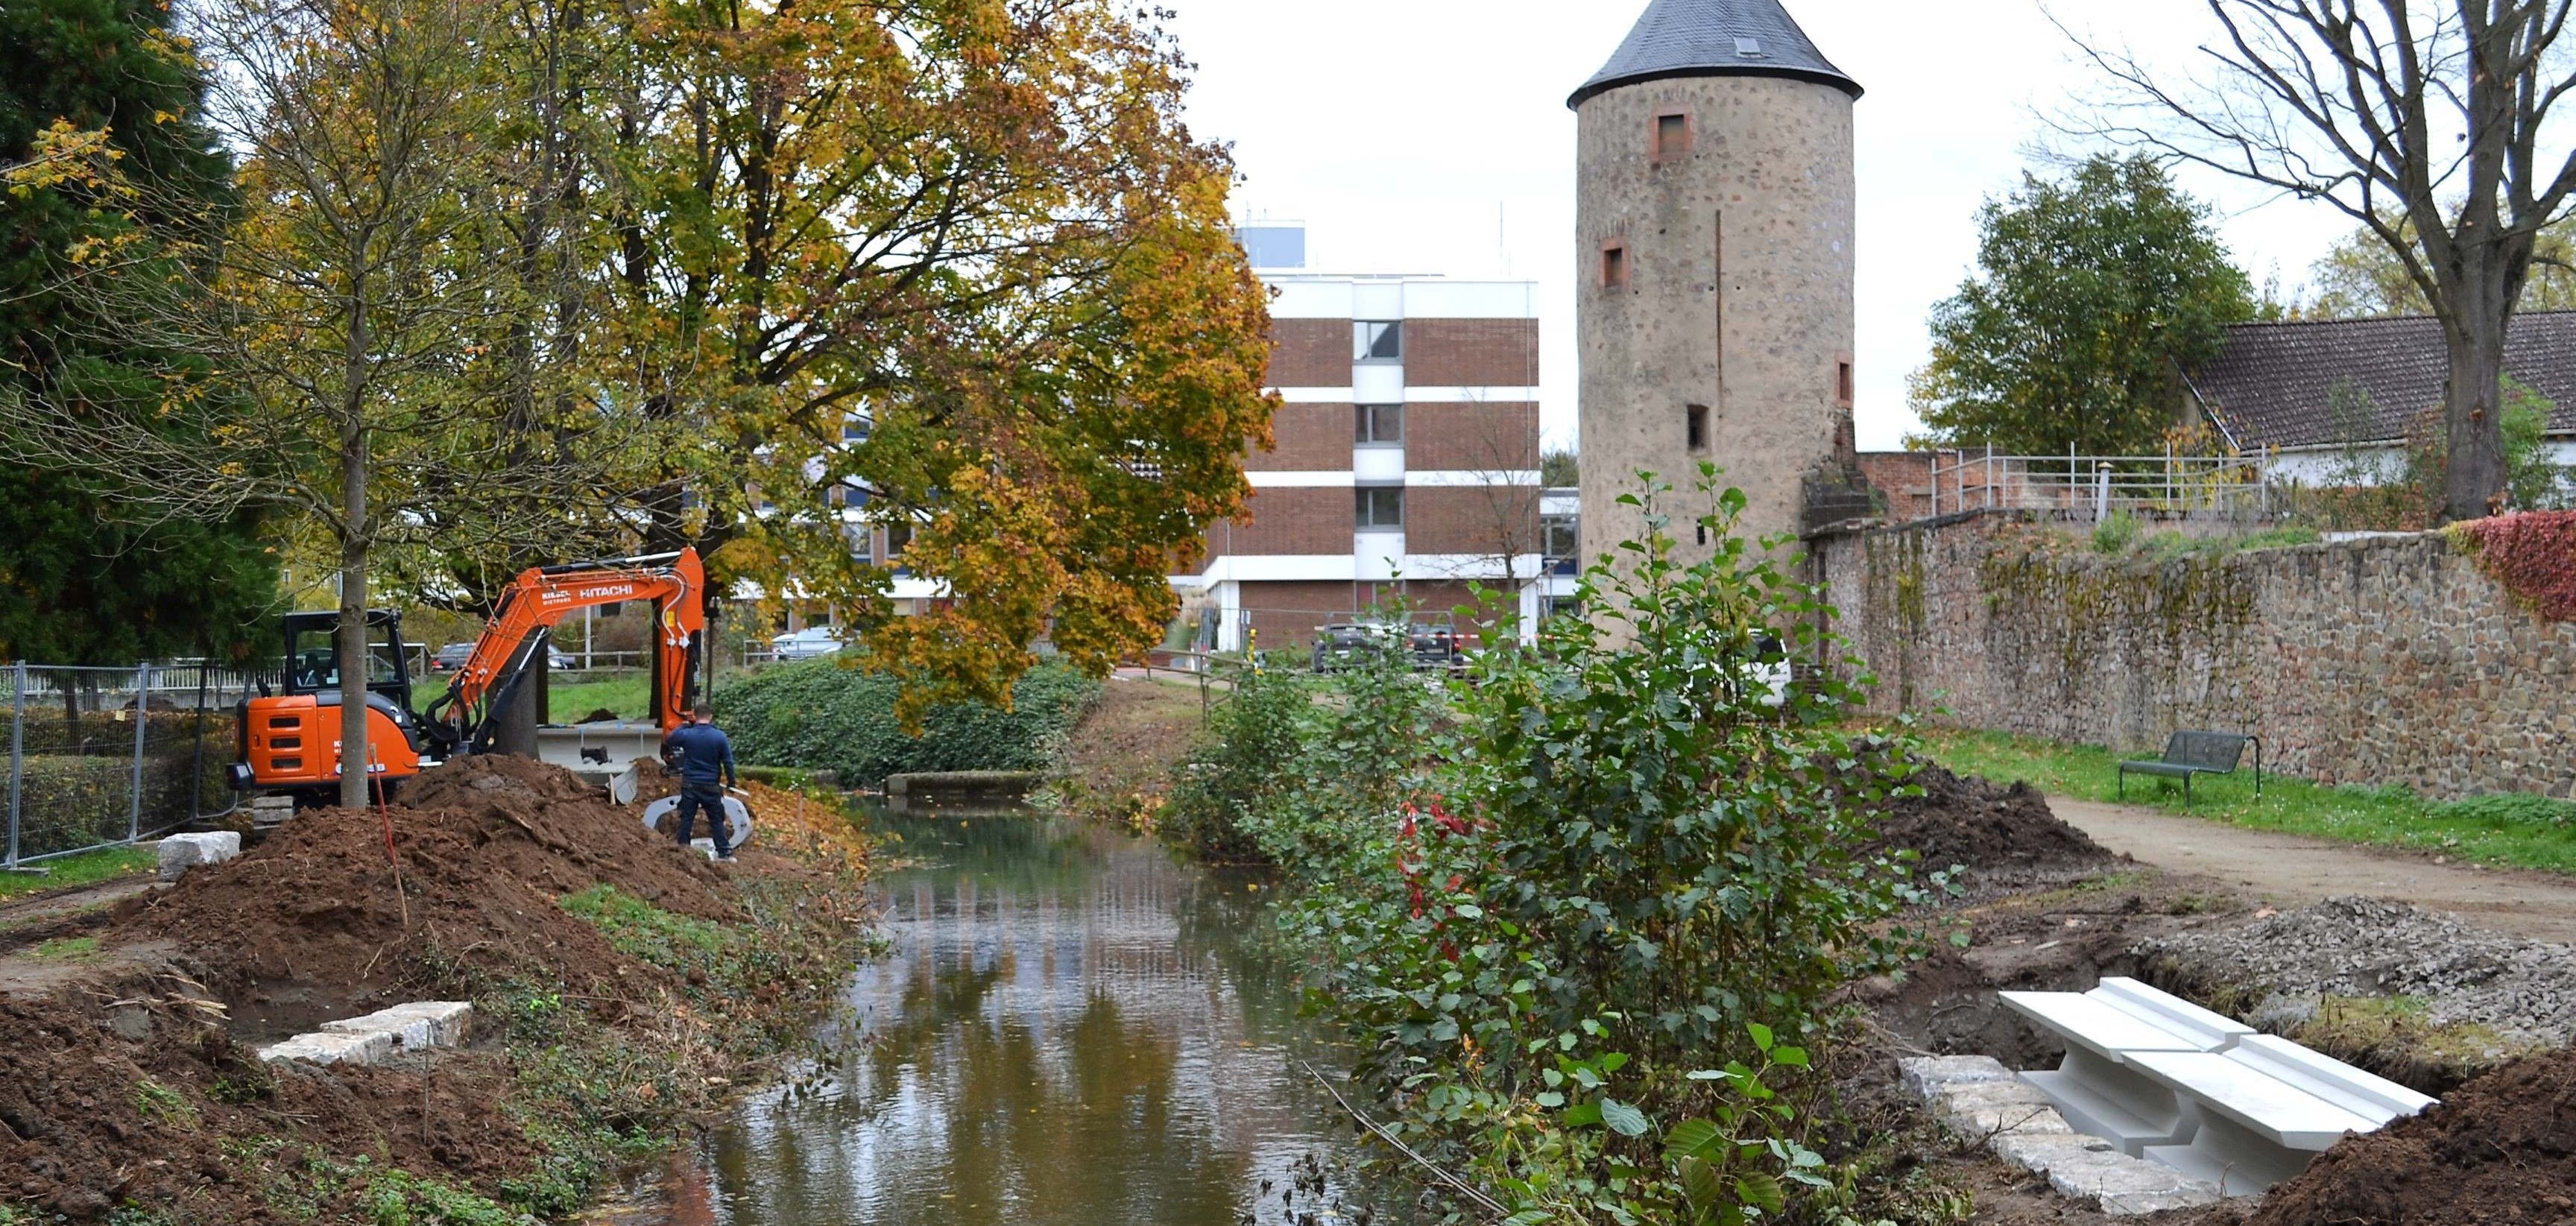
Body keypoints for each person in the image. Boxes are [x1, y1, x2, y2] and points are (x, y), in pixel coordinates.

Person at [660, 702, 738, 862]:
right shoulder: (719, 736)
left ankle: (683, 850)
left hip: (690, 785)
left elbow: (669, 739)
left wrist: (684, 725)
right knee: (716, 819)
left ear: (694, 716)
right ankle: (724, 853)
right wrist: (731, 783)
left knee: (687, 817)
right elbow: (728, 762)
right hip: (711, 786)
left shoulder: (688, 734)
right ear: (711, 717)